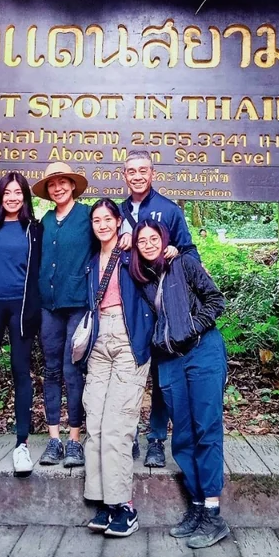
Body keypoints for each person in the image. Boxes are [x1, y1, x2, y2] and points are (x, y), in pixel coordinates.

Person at [130, 219, 229, 550]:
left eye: (152, 238)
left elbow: (216, 301)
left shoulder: (184, 263)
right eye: (141, 240)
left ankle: (214, 515)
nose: (147, 243)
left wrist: (193, 329)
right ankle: (197, 507)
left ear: (163, 239)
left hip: (203, 352)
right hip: (169, 359)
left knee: (206, 429)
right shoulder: (141, 279)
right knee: (183, 435)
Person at [118, 149, 201, 469]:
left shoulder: (168, 209)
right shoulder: (119, 211)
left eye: (143, 171)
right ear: (124, 176)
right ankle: (129, 435)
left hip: (163, 305)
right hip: (129, 304)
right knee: (129, 374)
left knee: (162, 376)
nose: (137, 176)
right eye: (131, 172)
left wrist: (176, 250)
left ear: (152, 174)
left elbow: (191, 253)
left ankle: (155, 439)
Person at [82, 199, 154, 538]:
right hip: (98, 343)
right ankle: (103, 502)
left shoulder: (132, 255)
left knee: (117, 424)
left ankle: (124, 505)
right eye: (96, 220)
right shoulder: (90, 260)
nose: (101, 225)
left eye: (107, 219)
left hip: (128, 340)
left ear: (118, 221)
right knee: (94, 422)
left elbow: (156, 279)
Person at [0, 172, 42, 476]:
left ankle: (22, 444)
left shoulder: (34, 229)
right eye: (7, 193)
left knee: (20, 370)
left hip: (22, 305)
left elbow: (39, 268)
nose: (12, 198)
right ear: (0, 196)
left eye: (18, 193)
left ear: (25, 196)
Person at [32, 161, 92, 467]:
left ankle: (74, 440)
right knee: (52, 370)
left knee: (73, 370)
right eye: (52, 184)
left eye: (63, 183)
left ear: (72, 185)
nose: (58, 188)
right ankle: (53, 439)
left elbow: (111, 242)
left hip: (78, 304)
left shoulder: (87, 215)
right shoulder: (44, 221)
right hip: (49, 306)